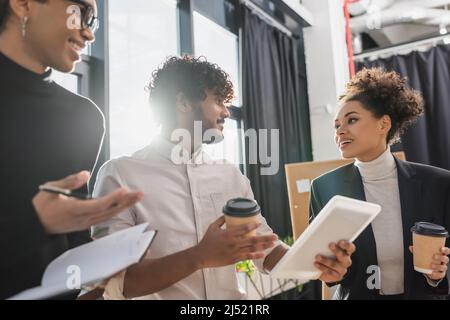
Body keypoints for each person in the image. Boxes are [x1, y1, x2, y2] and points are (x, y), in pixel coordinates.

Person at [92, 56, 355, 299]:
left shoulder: (229, 175)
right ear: (183, 102)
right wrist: (197, 257)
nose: (227, 113)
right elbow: (114, 283)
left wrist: (316, 263)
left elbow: (264, 249)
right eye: (218, 101)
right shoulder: (121, 175)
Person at [0, 0, 142, 299]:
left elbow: (71, 237)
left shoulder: (84, 118)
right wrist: (34, 222)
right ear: (23, 4)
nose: (89, 34)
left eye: (93, 23)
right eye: (81, 13)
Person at [310, 68, 450, 300]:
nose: (340, 131)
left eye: (352, 120)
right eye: (336, 125)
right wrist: (329, 270)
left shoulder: (438, 184)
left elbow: (445, 268)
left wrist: (436, 275)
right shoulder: (324, 187)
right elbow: (329, 271)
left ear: (383, 124)